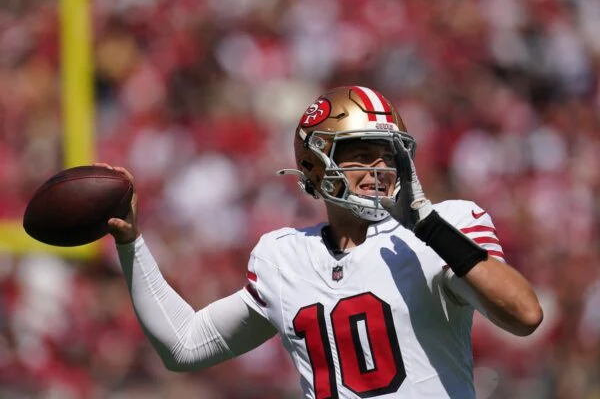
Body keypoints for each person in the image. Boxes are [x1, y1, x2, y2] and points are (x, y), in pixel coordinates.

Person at [101, 86, 543, 398]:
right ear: (315, 164)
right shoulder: (284, 257)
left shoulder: (444, 226)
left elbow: (524, 314)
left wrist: (427, 225)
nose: (379, 168)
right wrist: (132, 243)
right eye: (361, 153)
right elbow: (185, 345)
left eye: (388, 155)